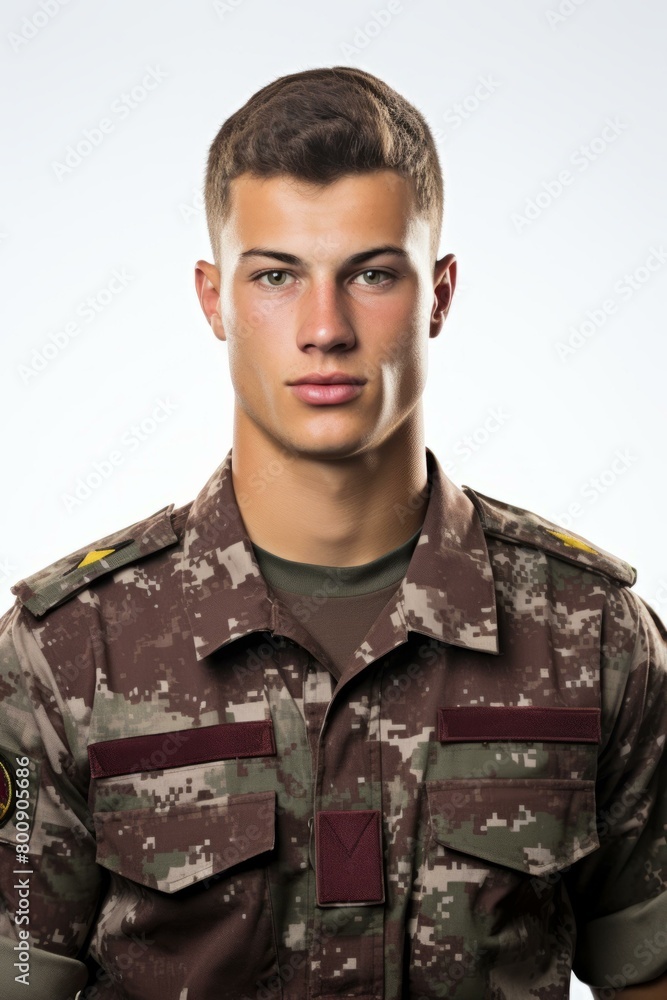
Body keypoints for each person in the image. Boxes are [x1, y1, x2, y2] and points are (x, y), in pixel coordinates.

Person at [0, 65, 665, 1000]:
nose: (324, 328)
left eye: (372, 274)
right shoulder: (68, 652)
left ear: (437, 294)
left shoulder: (588, 636)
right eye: (275, 275)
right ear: (214, 300)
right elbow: (18, 969)